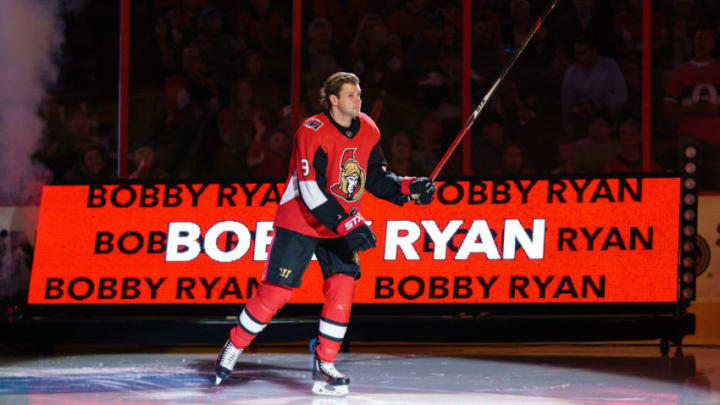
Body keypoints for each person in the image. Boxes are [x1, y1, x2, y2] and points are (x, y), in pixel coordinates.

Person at [214, 72, 437, 396]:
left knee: (343, 289)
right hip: (301, 220)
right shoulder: (312, 130)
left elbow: (375, 177)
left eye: (359, 94)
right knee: (275, 294)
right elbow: (310, 190)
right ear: (332, 100)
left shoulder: (369, 129)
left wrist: (409, 187)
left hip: (340, 220)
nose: (357, 100)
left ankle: (325, 363)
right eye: (350, 95)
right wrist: (350, 224)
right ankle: (233, 346)